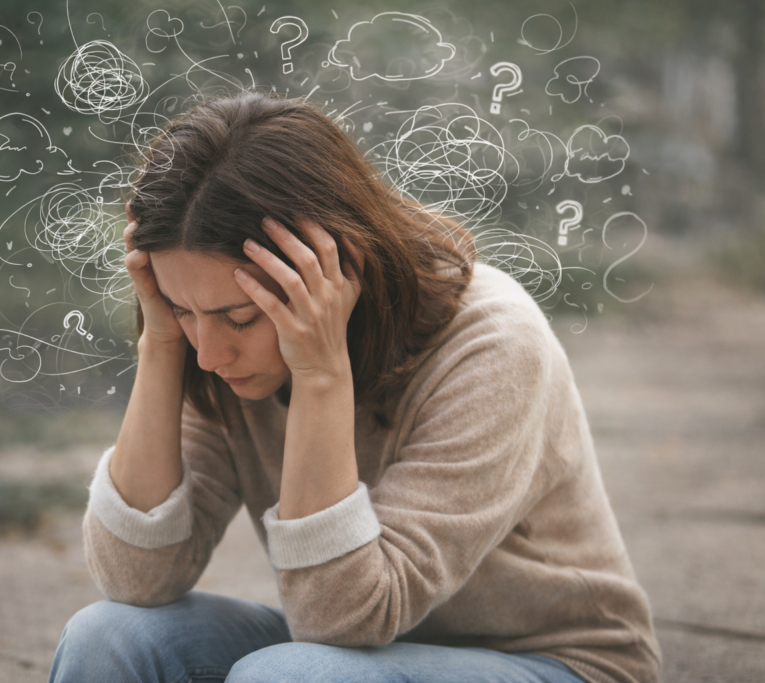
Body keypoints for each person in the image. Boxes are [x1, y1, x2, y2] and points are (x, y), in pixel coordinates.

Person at [47, 92, 661, 683]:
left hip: (554, 659)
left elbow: (340, 617)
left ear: (335, 269)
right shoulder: (212, 355)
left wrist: (319, 376)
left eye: (240, 318)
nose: (210, 354)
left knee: (290, 675)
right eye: (182, 309)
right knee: (107, 637)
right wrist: (160, 345)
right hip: (360, 653)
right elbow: (136, 579)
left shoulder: (493, 342)